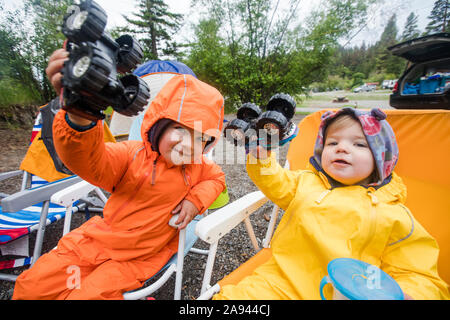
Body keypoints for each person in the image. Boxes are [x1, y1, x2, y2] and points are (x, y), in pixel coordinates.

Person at [12, 49, 226, 300]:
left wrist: (194, 201)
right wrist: (81, 117)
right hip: (96, 242)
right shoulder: (131, 155)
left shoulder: (199, 165)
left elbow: (217, 179)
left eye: (201, 137)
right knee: (32, 287)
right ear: (159, 126)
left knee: (85, 296)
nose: (189, 145)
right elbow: (90, 159)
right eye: (180, 129)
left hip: (139, 257)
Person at [214, 107, 450, 300]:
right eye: (332, 143)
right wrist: (262, 158)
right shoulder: (306, 182)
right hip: (278, 283)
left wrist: (410, 295)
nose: (342, 148)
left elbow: (417, 273)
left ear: (382, 160)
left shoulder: (393, 213)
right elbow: (276, 182)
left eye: (359, 144)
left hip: (345, 293)